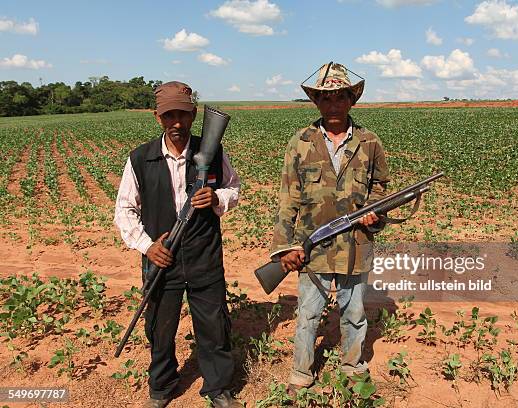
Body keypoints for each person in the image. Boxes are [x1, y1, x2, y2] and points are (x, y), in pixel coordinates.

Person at [114, 81, 241, 408]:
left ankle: (217, 389)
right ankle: (161, 388)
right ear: (158, 117)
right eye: (168, 115)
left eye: (182, 115)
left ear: (194, 114)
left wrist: (216, 197)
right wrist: (146, 245)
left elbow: (234, 189)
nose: (176, 123)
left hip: (204, 256)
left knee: (213, 327)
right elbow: (124, 210)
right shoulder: (140, 159)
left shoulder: (211, 152)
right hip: (162, 258)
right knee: (160, 328)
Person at [269, 63, 390, 393]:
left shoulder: (369, 142)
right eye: (326, 98)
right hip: (313, 245)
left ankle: (352, 367)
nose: (333, 105)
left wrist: (373, 212)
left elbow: (380, 187)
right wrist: (285, 248)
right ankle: (301, 374)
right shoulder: (300, 143)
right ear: (316, 102)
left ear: (352, 100)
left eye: (340, 97)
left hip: (355, 245)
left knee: (353, 312)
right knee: (308, 314)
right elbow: (287, 199)